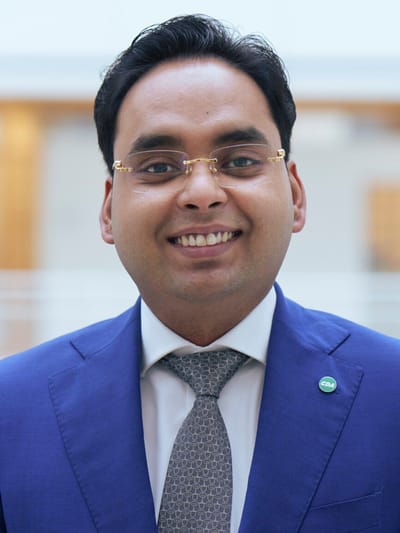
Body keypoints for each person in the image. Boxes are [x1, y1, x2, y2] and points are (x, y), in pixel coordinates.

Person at [0, 14, 399, 533]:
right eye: (159, 167)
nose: (202, 193)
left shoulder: (390, 393)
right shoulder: (13, 408)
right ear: (108, 210)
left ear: (296, 195)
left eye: (239, 161)